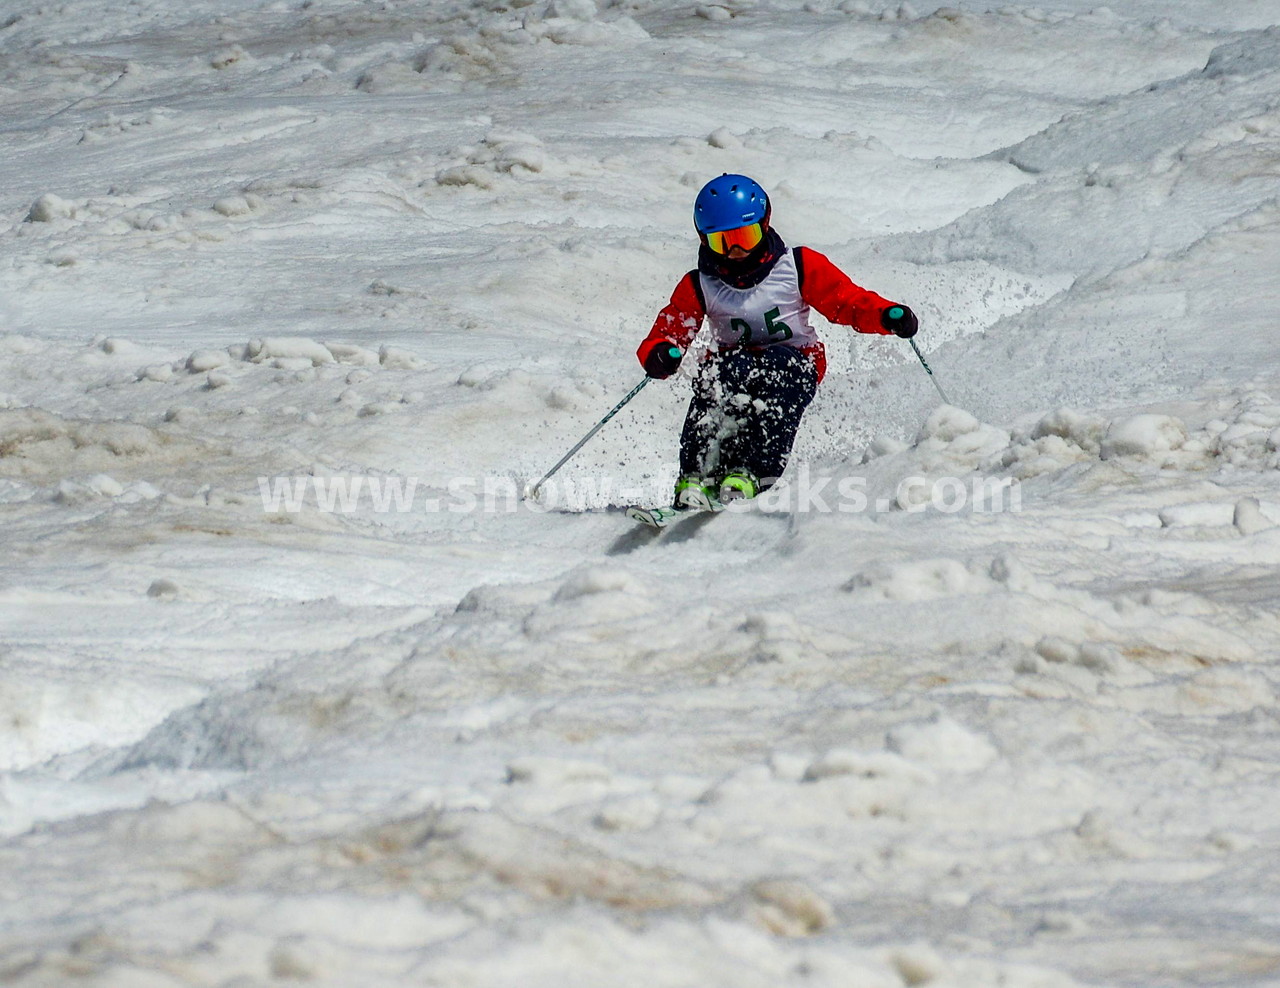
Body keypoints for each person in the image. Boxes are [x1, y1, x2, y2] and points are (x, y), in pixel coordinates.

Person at [636, 173, 919, 509]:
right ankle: (695, 475)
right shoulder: (700, 284)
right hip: (735, 360)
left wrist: (886, 315)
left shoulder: (797, 266)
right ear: (703, 239)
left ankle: (752, 473)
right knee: (716, 379)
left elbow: (847, 301)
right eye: (721, 242)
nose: (735, 251)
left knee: (778, 374)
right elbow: (671, 328)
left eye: (744, 236)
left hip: (796, 359)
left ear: (765, 224)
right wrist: (660, 353)